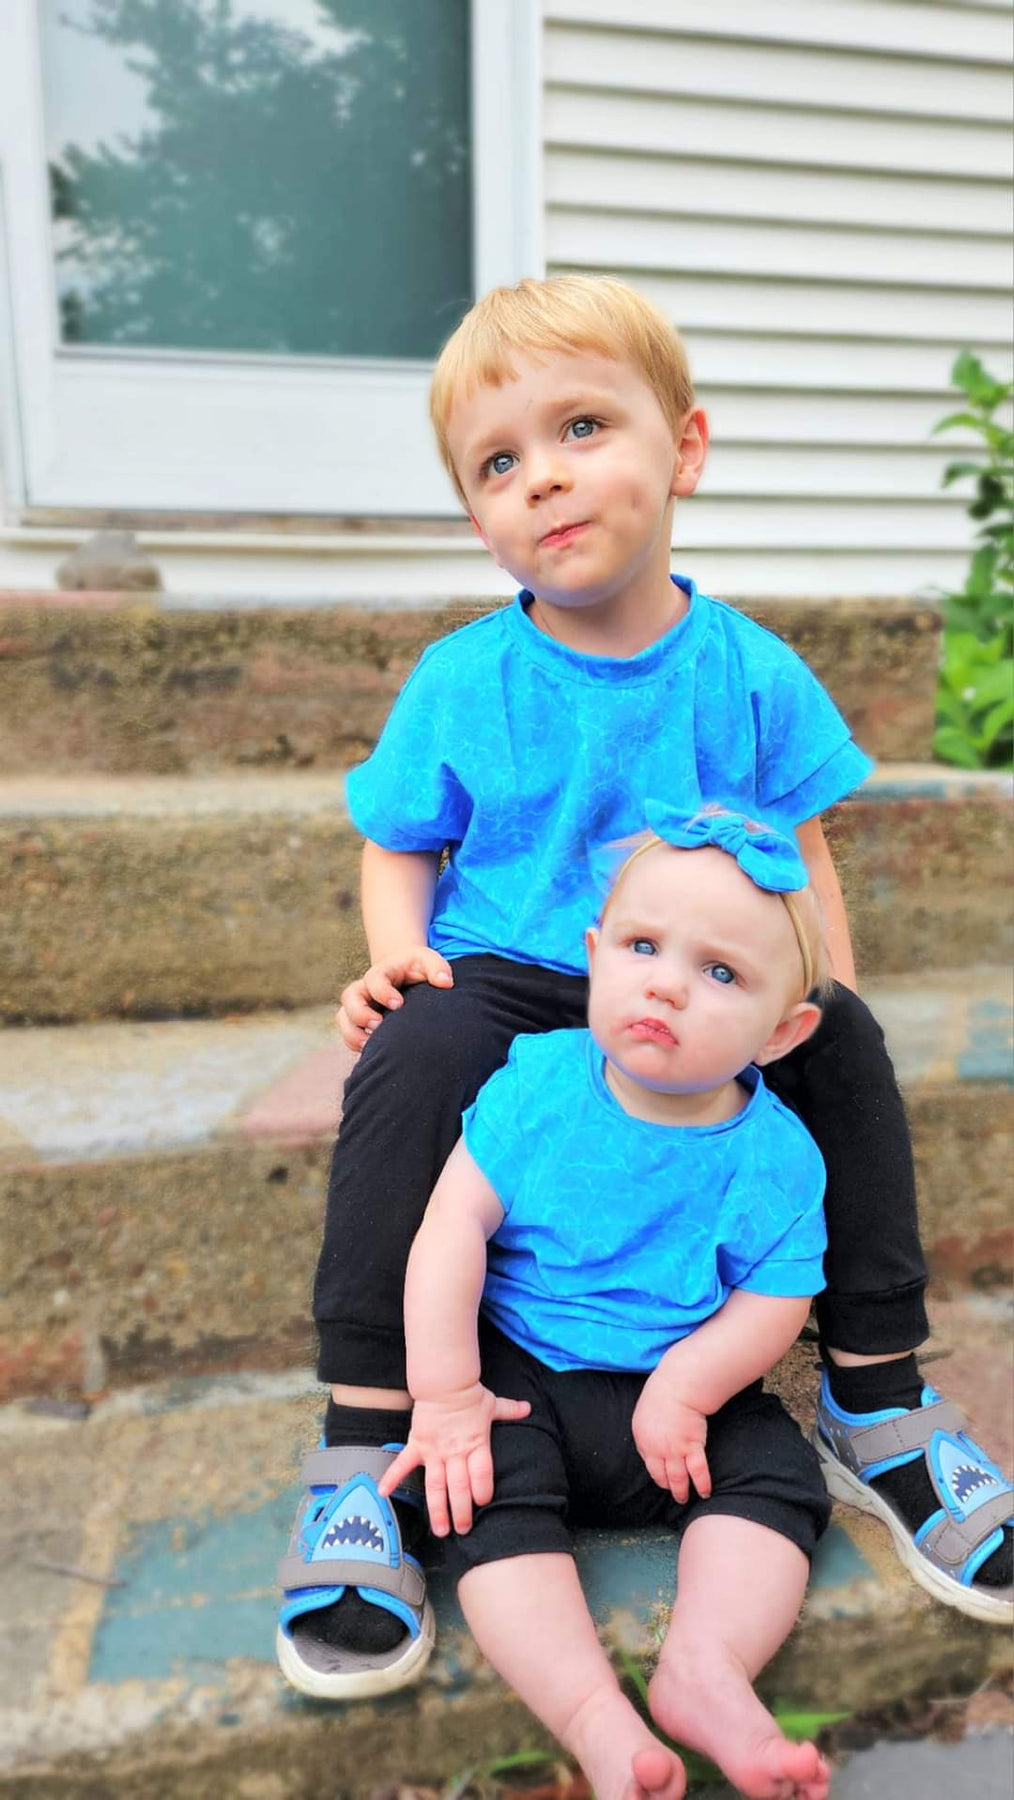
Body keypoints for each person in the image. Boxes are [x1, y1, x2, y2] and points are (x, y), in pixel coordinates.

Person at [276, 276, 1013, 1701]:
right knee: (414, 1049)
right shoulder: (464, 678)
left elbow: (800, 854)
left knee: (844, 1042)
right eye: (497, 463)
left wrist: (817, 1001)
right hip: (509, 975)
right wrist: (394, 953)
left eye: (581, 429)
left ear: (683, 450)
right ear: (477, 516)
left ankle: (875, 1398)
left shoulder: (749, 673)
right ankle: (368, 1439)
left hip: (699, 981)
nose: (541, 477)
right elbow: (399, 838)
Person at [376, 806, 833, 1800]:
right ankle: (591, 1713)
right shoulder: (541, 1086)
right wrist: (446, 1394)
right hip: (522, 1378)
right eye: (641, 947)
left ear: (783, 1030)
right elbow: (452, 1229)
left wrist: (690, 1386)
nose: (666, 983)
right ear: (594, 957)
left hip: (682, 1400)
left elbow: (775, 1298)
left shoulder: (777, 1156)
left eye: (721, 973)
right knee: (474, 1491)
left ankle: (708, 1670)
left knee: (777, 1476)